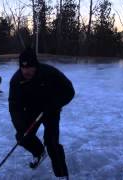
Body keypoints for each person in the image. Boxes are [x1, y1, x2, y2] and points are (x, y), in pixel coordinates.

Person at [8, 48, 75, 179]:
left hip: (51, 110)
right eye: (23, 67)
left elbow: (69, 91)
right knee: (22, 136)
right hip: (32, 110)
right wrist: (20, 126)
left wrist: (55, 104)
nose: (26, 71)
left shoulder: (49, 73)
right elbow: (14, 107)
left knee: (52, 143)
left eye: (30, 67)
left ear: (36, 65)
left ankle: (61, 175)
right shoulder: (16, 80)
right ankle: (39, 152)